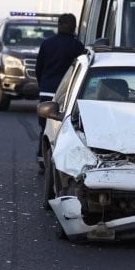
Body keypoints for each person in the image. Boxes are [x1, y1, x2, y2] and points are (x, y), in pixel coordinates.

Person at [34, 13, 85, 169]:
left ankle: (42, 156)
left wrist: (43, 84)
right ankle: (58, 159)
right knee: (64, 127)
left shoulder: (47, 43)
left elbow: (39, 68)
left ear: (58, 25)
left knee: (45, 126)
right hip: (67, 94)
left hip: (47, 91)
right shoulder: (78, 47)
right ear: (74, 27)